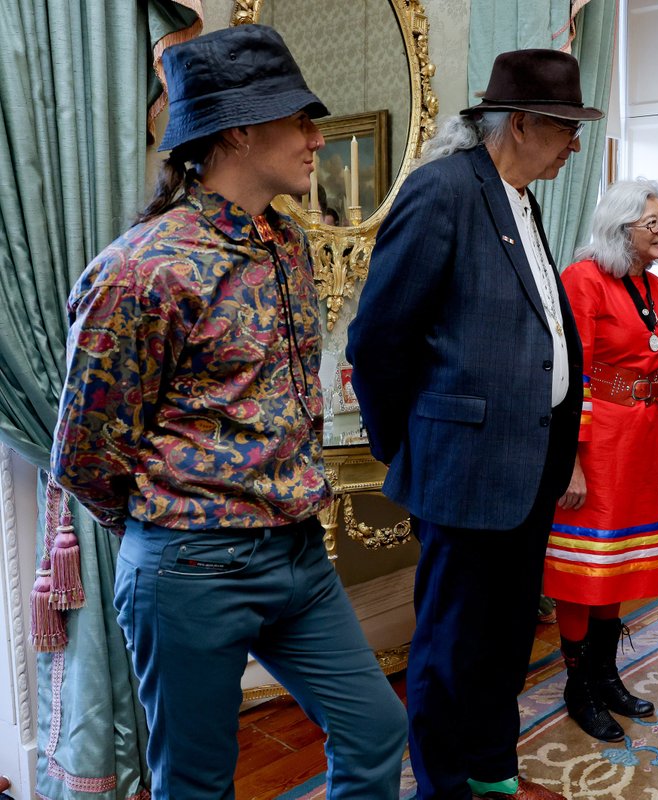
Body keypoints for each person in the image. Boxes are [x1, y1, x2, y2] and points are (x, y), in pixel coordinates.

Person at [49, 24, 407, 798]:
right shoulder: (141, 271)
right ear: (239, 129)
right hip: (192, 570)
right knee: (197, 784)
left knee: (377, 729)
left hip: (298, 557)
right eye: (301, 119)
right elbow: (84, 453)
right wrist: (177, 524)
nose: (318, 137)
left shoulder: (286, 243)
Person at [346, 49, 600, 800]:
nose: (575, 145)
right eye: (565, 129)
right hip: (462, 469)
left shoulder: (522, 197)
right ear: (519, 124)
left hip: (526, 467)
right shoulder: (443, 192)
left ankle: (493, 769)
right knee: (451, 649)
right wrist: (412, 447)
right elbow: (378, 340)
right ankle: (443, 785)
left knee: (507, 636)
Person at [545, 179, 658, 742]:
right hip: (594, 445)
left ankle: (606, 673)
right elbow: (566, 378)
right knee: (583, 571)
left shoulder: (653, 285)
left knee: (619, 561)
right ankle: (578, 685)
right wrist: (569, 463)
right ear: (620, 228)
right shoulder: (582, 281)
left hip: (638, 444)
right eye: (653, 222)